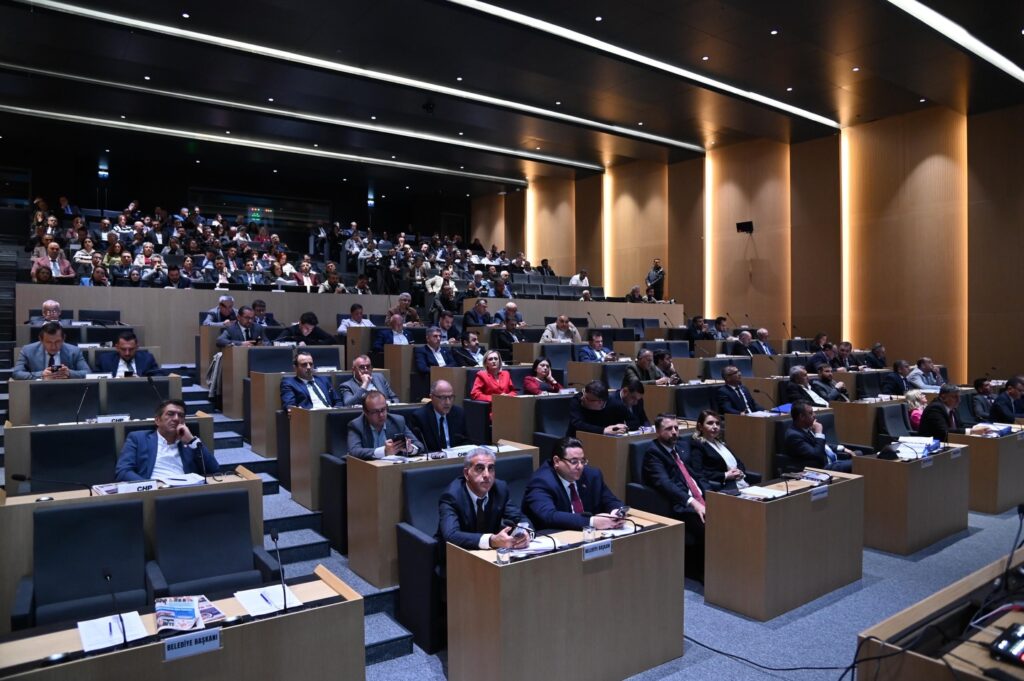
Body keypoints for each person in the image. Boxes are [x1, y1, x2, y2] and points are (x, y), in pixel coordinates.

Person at [641, 414, 706, 580]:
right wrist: (693, 502)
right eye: (669, 429)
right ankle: (704, 573)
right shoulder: (653, 453)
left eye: (676, 428)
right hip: (679, 505)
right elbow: (664, 484)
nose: (674, 432)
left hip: (700, 496)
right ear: (657, 431)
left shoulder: (681, 447)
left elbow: (695, 475)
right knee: (709, 527)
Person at [523, 436, 625, 531]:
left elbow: (611, 500)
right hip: (556, 535)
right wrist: (592, 522)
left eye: (582, 461)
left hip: (589, 536)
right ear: (557, 461)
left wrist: (616, 513)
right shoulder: (541, 481)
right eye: (574, 461)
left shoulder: (592, 475)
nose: (580, 466)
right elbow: (549, 516)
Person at [436, 448, 530, 551]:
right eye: (480, 468)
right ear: (466, 474)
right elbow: (451, 535)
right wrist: (491, 540)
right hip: (456, 555)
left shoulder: (500, 489)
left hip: (488, 554)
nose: (487, 475)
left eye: (491, 468)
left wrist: (525, 533)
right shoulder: (452, 496)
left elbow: (520, 518)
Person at [115, 399, 219, 481]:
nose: (176, 418)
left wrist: (192, 441)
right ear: (157, 420)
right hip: (154, 492)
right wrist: (149, 487)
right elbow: (123, 471)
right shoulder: (138, 438)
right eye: (170, 414)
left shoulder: (191, 442)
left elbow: (213, 469)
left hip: (185, 491)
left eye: (181, 415)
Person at [690, 410, 760, 490]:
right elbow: (698, 472)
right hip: (725, 486)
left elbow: (738, 462)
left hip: (741, 482)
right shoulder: (698, 445)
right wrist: (725, 475)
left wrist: (740, 471)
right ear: (700, 426)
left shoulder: (720, 442)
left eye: (717, 423)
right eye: (710, 423)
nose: (715, 426)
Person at [346, 392, 423, 460]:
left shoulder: (397, 421)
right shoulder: (356, 425)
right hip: (367, 468)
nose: (381, 415)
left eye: (383, 409)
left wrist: (410, 449)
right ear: (366, 412)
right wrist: (384, 451)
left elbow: (419, 445)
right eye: (375, 411)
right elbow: (354, 451)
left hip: (392, 468)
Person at [783, 400, 852, 472]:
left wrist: (841, 448)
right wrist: (819, 432)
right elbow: (817, 455)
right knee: (856, 464)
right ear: (802, 417)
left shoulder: (805, 428)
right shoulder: (794, 436)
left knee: (858, 455)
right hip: (821, 468)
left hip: (832, 460)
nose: (814, 415)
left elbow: (821, 446)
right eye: (810, 413)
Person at [12, 321, 90, 380]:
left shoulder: (74, 351)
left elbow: (88, 373)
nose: (53, 346)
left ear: (63, 338)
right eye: (49, 342)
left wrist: (69, 373)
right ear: (41, 340)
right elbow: (16, 373)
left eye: (57, 342)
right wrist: (41, 375)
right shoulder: (27, 350)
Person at [412, 380, 468, 451]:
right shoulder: (420, 417)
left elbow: (465, 441)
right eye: (443, 398)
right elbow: (420, 447)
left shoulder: (459, 413)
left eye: (450, 397)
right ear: (432, 397)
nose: (448, 402)